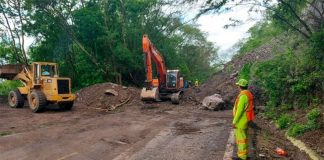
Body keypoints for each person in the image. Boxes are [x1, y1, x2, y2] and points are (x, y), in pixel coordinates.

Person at [232, 79, 254, 160]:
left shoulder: (243, 95)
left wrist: (234, 121)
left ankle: (242, 157)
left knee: (241, 139)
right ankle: (243, 155)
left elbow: (240, 110)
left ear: (240, 86)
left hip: (241, 120)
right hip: (245, 119)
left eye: (238, 85)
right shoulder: (247, 93)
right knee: (243, 138)